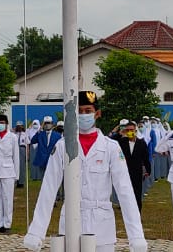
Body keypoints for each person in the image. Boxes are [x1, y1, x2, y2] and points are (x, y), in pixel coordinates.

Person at [24, 91, 147, 252]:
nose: (83, 115)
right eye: (79, 111)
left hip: (102, 225)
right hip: (71, 222)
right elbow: (48, 188)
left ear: (97, 114)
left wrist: (136, 236)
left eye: (88, 111)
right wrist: (36, 232)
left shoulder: (111, 147)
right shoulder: (63, 146)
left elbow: (125, 192)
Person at [115, 119, 151, 210]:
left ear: (135, 131)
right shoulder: (121, 142)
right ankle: (126, 211)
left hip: (137, 172)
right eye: (127, 130)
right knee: (126, 194)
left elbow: (146, 158)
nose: (130, 132)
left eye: (131, 130)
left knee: (137, 194)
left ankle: (137, 213)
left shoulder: (141, 143)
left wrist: (148, 170)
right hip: (124, 172)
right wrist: (119, 133)